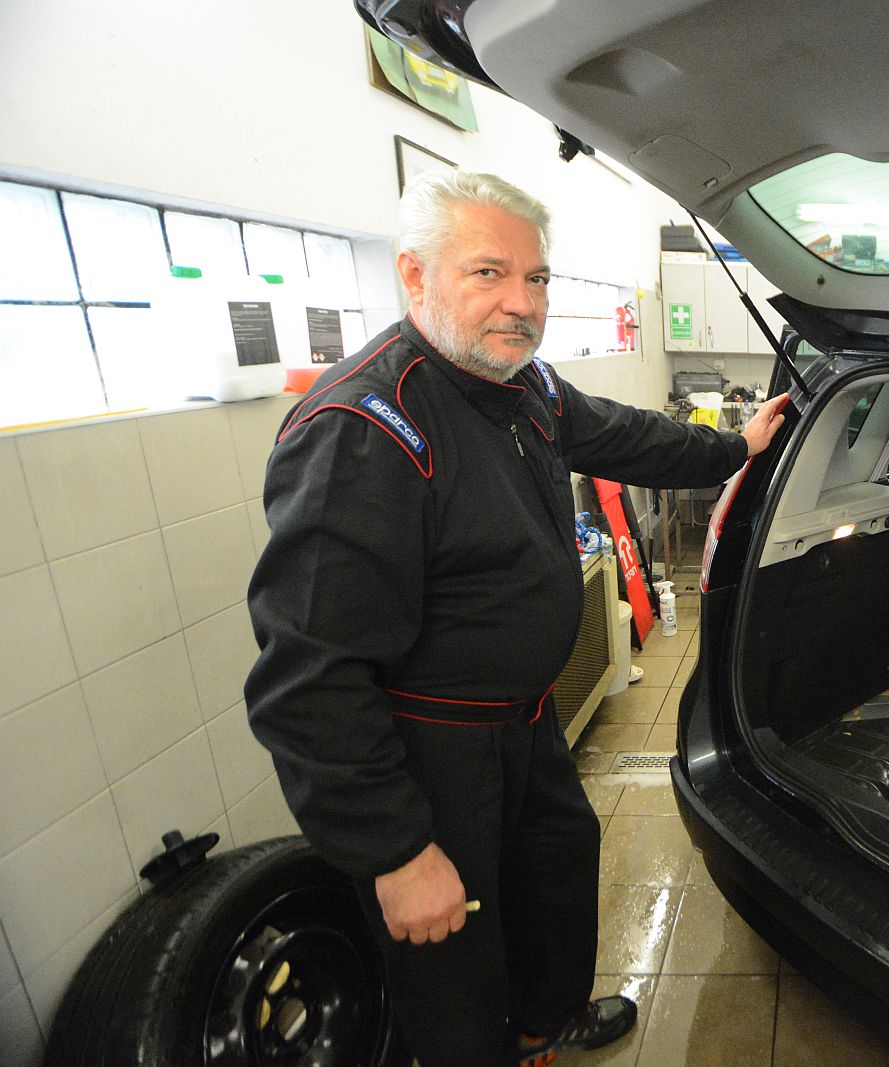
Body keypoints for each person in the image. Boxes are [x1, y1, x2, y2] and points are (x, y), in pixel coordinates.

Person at [244, 170, 787, 1067]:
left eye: (536, 279)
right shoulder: (364, 428)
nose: (521, 303)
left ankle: (546, 1023)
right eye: (488, 273)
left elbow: (623, 433)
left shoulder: (519, 383)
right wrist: (397, 851)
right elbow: (308, 679)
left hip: (524, 724)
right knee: (452, 958)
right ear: (414, 275)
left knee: (553, 879)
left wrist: (734, 446)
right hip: (431, 754)